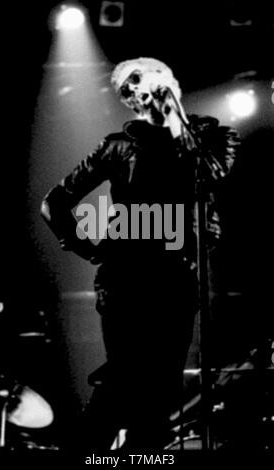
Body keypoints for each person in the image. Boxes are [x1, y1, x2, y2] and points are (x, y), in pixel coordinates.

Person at [41, 57, 240, 451]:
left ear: (166, 80)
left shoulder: (213, 138)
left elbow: (212, 172)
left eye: (136, 81)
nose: (131, 92)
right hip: (125, 281)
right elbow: (55, 203)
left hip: (178, 281)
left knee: (161, 392)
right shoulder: (117, 147)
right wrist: (88, 248)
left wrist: (171, 119)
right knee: (121, 384)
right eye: (124, 91)